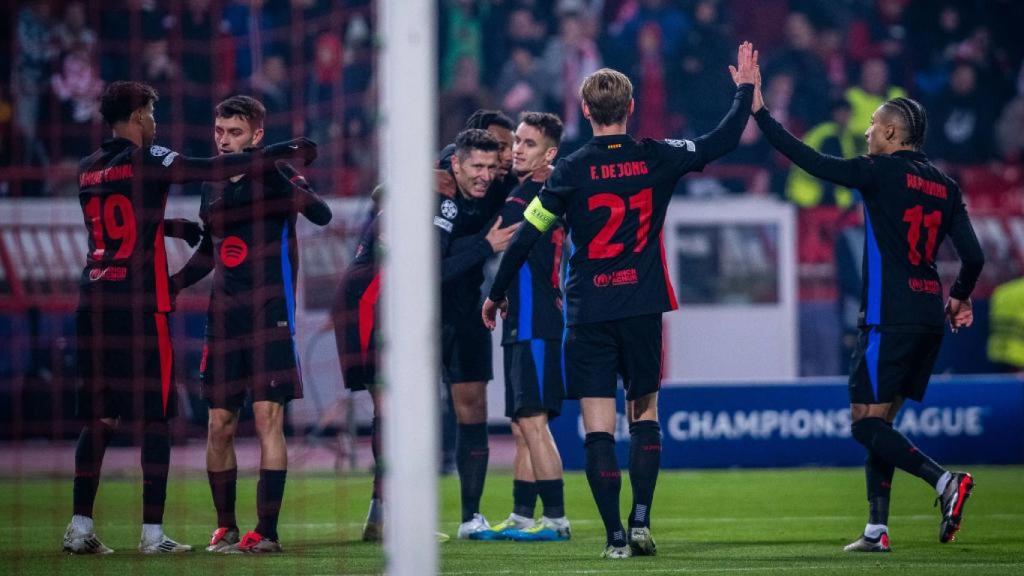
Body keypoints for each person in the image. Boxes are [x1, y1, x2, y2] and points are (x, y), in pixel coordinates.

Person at [483, 43, 759, 558]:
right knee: (645, 413)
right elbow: (722, 140)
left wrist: (497, 293)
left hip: (589, 310)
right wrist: (745, 89)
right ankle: (640, 521)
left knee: (597, 424)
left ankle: (613, 537)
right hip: (641, 305)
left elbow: (527, 233)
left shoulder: (569, 170)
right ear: (629, 108)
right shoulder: (657, 155)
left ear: (586, 111)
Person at [64, 81, 316, 555]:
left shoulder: (87, 169)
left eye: (233, 130)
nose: (156, 123)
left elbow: (126, 219)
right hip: (140, 303)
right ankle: (154, 535)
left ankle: (79, 527)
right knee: (159, 419)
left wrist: (170, 233)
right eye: (152, 114)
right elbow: (205, 168)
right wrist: (284, 152)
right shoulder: (153, 158)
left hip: (93, 299)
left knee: (98, 418)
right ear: (139, 116)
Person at [751, 69, 985, 552]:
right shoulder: (946, 186)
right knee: (881, 424)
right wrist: (959, 296)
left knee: (864, 423)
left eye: (875, 124)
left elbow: (807, 159)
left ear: (893, 133)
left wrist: (759, 112)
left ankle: (945, 482)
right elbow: (975, 256)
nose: (867, 131)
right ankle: (877, 530)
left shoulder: (879, 172)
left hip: (888, 314)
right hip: (927, 315)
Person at [171, 95, 331, 554]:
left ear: (256, 134)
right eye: (219, 133)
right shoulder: (211, 184)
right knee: (218, 423)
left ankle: (268, 530)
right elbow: (210, 250)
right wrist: (175, 282)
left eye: (235, 133)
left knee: (267, 418)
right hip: (223, 317)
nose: (224, 141)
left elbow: (322, 214)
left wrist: (280, 174)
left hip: (270, 315)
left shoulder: (275, 176)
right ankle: (225, 526)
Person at [474, 112, 571, 542]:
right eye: (517, 140)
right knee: (521, 424)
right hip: (522, 316)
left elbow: (511, 241)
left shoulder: (544, 192)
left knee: (533, 420)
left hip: (535, 317)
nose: (516, 148)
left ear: (549, 154)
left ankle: (556, 519)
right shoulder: (525, 189)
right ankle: (521, 515)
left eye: (528, 143)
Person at [435, 128, 520, 539]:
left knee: (473, 409)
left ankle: (471, 517)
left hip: (466, 311)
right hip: (419, 314)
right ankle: (392, 516)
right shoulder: (435, 189)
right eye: (477, 166)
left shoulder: (502, 185)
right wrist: (484, 246)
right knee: (404, 415)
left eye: (491, 165)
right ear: (455, 162)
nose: (485, 175)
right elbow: (429, 268)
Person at [332, 184, 384, 541]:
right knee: (392, 411)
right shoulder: (397, 218)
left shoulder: (380, 219)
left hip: (359, 306)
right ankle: (383, 517)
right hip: (368, 310)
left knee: (391, 411)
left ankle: (380, 515)